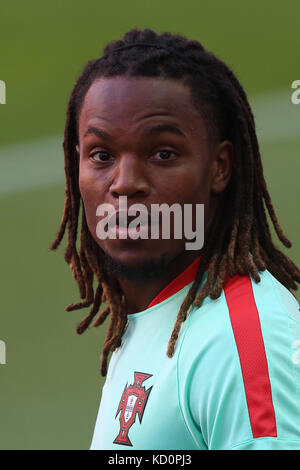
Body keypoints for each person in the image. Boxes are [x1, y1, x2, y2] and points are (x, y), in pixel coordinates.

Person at [51, 28, 300, 450]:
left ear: (220, 167)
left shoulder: (241, 342)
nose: (125, 184)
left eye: (163, 153)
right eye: (101, 155)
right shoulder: (154, 315)